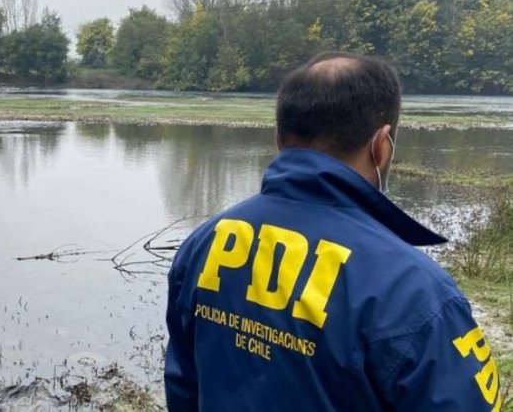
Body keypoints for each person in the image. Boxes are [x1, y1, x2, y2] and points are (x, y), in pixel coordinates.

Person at [164, 51, 502, 411]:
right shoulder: (413, 291)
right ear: (382, 146)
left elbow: (184, 387)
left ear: (279, 140)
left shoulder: (206, 243)